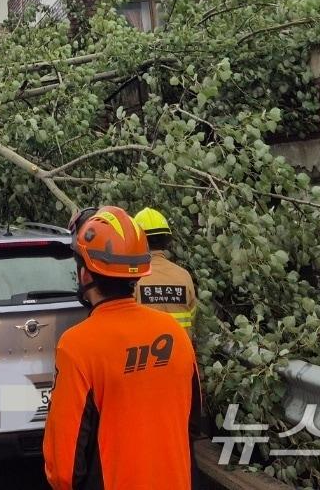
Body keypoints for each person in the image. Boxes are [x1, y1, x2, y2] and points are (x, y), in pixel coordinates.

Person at [43, 206, 203, 490]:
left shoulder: (78, 346)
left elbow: (63, 469)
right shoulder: (175, 333)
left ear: (84, 274)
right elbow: (191, 424)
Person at [134, 207, 198, 339]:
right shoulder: (184, 276)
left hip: (146, 358)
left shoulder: (133, 279)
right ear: (167, 240)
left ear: (137, 240)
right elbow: (192, 318)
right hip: (182, 356)